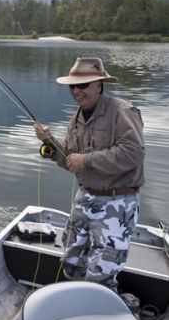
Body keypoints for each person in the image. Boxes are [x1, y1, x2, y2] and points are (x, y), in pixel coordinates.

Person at [34, 57, 145, 291]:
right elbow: (70, 161)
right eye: (72, 86)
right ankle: (76, 299)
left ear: (99, 84)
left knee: (102, 272)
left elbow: (133, 153)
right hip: (85, 199)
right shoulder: (76, 119)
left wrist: (87, 159)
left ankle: (101, 310)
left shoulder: (122, 111)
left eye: (83, 85)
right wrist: (49, 142)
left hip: (118, 201)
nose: (76, 91)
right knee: (71, 261)